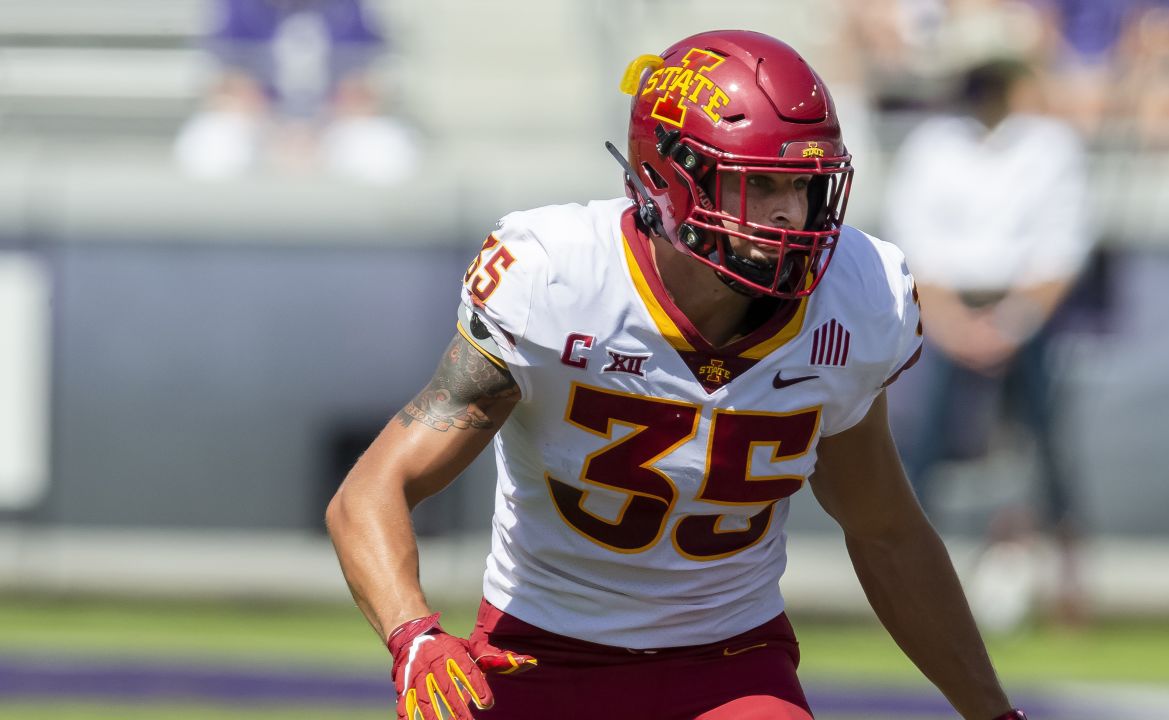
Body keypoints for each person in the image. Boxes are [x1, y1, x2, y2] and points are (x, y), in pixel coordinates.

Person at [326, 30, 1028, 720]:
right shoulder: (558, 278)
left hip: (727, 665)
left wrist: (993, 714)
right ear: (671, 181)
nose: (794, 214)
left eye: (806, 187)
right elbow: (372, 491)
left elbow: (885, 531)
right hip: (536, 656)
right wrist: (412, 634)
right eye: (763, 186)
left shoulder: (857, 296)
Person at [882, 58, 1094, 630]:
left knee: (1050, 453)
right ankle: (906, 586)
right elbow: (915, 243)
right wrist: (954, 324)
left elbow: (1061, 245)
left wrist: (1012, 321)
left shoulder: (1050, 146)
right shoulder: (932, 145)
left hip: (1025, 309)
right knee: (918, 449)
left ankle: (1070, 590)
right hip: (945, 307)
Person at [173, 0, 418, 184]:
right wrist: (278, 134)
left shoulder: (351, 8)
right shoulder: (236, 6)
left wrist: (314, 132)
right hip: (259, 126)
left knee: (388, 152)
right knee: (210, 148)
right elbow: (228, 85)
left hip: (332, 126)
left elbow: (363, 86)